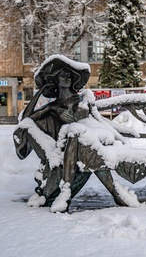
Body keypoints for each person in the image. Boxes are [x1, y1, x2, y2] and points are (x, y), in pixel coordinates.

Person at [13, 56, 92, 207]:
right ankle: (50, 165)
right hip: (55, 149)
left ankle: (52, 167)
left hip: (74, 151)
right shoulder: (53, 106)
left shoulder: (81, 101)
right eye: (63, 76)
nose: (67, 79)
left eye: (69, 76)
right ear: (56, 80)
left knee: (28, 128)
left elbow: (88, 125)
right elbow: (25, 120)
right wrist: (45, 99)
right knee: (27, 127)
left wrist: (71, 120)